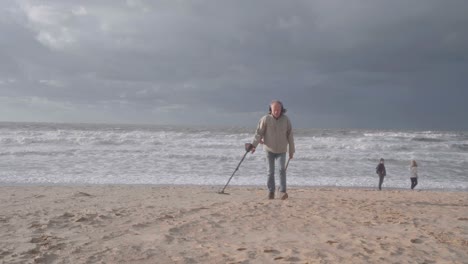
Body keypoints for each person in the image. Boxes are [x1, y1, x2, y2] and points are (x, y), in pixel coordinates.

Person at [247, 100, 295, 200]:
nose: (276, 112)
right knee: (270, 171)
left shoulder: (286, 120)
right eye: (274, 110)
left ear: (281, 109)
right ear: (270, 110)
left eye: (278, 109)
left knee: (282, 169)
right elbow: (259, 133)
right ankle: (271, 191)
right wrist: (253, 146)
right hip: (269, 149)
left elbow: (290, 136)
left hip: (282, 150)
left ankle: (282, 192)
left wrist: (291, 151)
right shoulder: (265, 119)